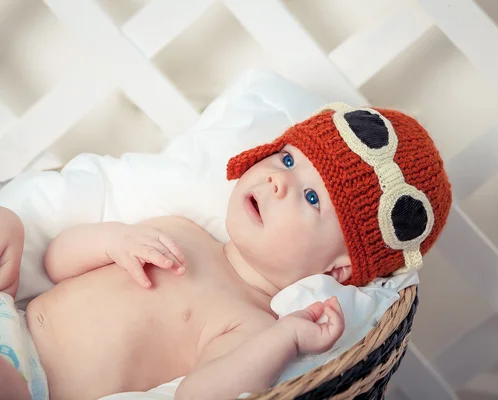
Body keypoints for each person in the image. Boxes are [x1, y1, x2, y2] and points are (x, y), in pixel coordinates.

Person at [0, 103, 452, 400]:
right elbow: (56, 261)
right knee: (8, 224)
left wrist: (286, 339)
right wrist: (113, 241)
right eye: (288, 159)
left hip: (29, 383)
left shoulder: (251, 324)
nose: (278, 179)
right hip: (10, 317)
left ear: (340, 270)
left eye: (311, 197)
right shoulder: (183, 231)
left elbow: (197, 395)